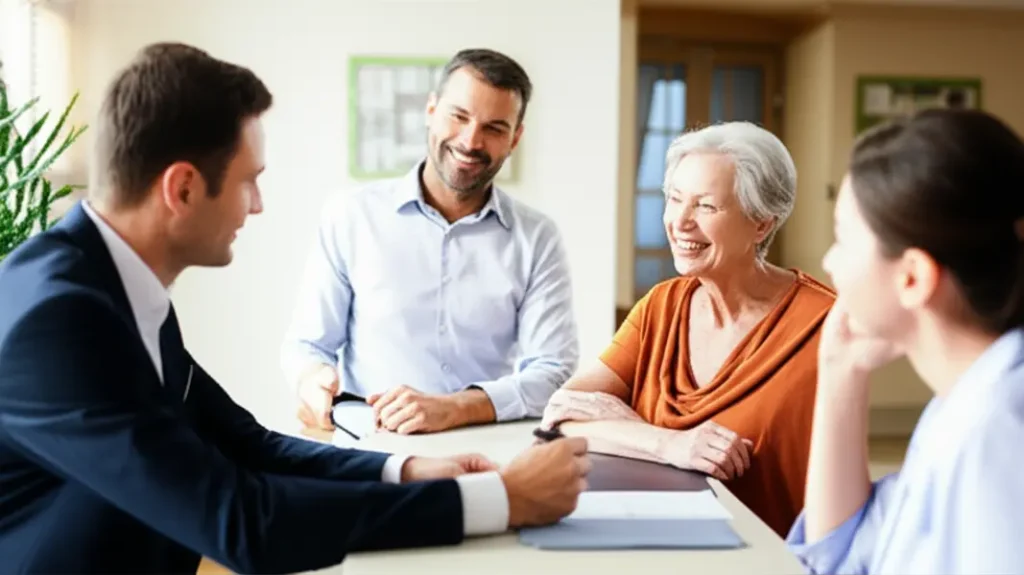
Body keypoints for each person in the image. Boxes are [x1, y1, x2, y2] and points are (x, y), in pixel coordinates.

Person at [0, 42, 592, 574]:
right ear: (182, 189)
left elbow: (246, 444)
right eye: (248, 181)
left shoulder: (117, 288)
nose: (257, 205)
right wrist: (500, 500)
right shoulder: (57, 320)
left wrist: (405, 470)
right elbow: (244, 523)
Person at [539, 121, 835, 537]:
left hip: (767, 553)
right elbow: (562, 413)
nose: (679, 222)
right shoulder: (661, 306)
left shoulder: (826, 324)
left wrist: (621, 429)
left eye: (706, 207)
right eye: (674, 199)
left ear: (762, 224)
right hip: (657, 540)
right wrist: (668, 442)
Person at [280, 48, 578, 437]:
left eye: (494, 128)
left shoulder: (537, 238)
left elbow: (553, 373)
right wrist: (312, 380)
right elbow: (307, 344)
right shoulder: (351, 215)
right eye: (459, 116)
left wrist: (457, 408)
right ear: (431, 110)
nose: (471, 141)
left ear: (515, 138)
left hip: (485, 451)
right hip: (370, 447)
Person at [786, 109, 1024, 574]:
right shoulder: (961, 406)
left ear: (912, 277)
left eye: (842, 238)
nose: (829, 262)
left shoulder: (998, 431)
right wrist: (840, 371)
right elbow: (843, 552)